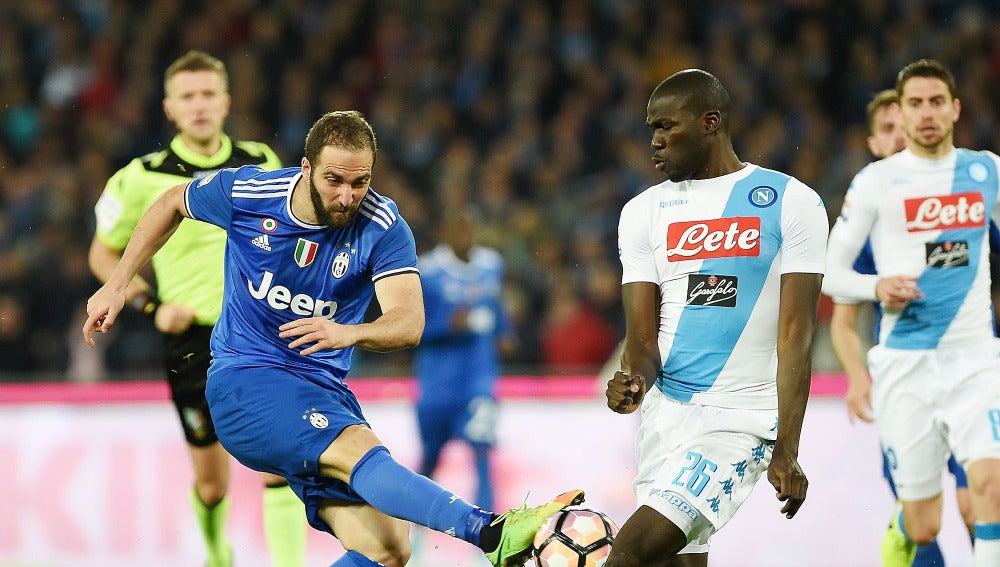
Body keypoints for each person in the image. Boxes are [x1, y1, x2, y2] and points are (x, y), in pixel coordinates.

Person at [82, 110, 583, 567]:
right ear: (306, 167)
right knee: (359, 448)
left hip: (321, 391)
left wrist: (348, 331)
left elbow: (408, 323)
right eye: (335, 180)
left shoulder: (383, 226)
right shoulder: (251, 193)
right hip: (245, 383)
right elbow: (171, 202)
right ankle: (490, 532)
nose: (347, 195)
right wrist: (119, 282)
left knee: (387, 547)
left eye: (360, 182)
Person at [87, 50, 304, 567]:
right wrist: (150, 305)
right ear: (169, 108)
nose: (200, 105)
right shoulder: (139, 178)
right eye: (188, 96)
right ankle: (215, 553)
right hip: (190, 342)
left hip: (258, 336)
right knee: (212, 483)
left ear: (226, 102)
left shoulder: (261, 163)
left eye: (209, 94)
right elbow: (101, 251)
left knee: (280, 464)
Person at [605, 69, 828, 566]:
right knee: (678, 561)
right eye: (650, 131)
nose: (655, 142)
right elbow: (642, 338)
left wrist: (787, 447)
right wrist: (633, 381)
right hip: (666, 416)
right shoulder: (642, 211)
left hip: (740, 419)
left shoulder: (792, 201)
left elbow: (796, 337)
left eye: (666, 127)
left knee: (630, 555)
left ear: (710, 122)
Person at [823, 58, 1000, 567]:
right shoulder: (876, 182)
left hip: (975, 360)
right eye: (916, 104)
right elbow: (830, 276)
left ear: (955, 109)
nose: (926, 113)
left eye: (937, 102)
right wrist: (877, 286)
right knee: (925, 524)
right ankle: (902, 530)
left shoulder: (984, 169)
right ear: (902, 112)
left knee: (988, 487)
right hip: (906, 366)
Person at [413, 210, 515, 512]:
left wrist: (505, 331)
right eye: (456, 230)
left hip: (479, 382)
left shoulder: (491, 265)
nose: (463, 236)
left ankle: (488, 541)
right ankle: (414, 536)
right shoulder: (427, 271)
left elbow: (494, 305)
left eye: (468, 229)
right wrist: (448, 323)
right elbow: (412, 328)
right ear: (444, 234)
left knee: (482, 455)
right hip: (437, 386)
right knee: (430, 461)